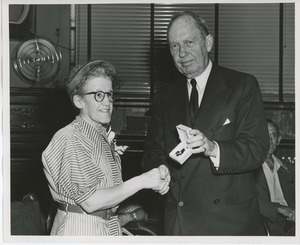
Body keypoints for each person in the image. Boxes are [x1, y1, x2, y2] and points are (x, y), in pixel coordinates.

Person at [142, 10, 270, 235]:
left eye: (189, 42)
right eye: (174, 46)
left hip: (230, 224)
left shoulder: (242, 85)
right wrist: (159, 170)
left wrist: (213, 148)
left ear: (208, 43)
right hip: (179, 222)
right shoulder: (164, 96)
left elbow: (257, 148)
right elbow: (153, 151)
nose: (182, 53)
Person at [42, 59, 170, 236]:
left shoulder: (99, 136)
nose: (107, 102)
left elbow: (108, 192)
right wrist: (142, 181)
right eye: (98, 95)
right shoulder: (71, 137)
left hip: (103, 226)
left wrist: (152, 182)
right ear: (79, 101)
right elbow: (91, 202)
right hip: (80, 230)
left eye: (109, 95)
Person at [255, 119, 295, 236]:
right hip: (263, 221)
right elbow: (249, 200)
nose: (270, 140)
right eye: (265, 135)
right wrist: (279, 209)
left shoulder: (289, 169)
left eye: (273, 135)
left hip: (290, 221)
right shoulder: (249, 168)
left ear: (279, 140)